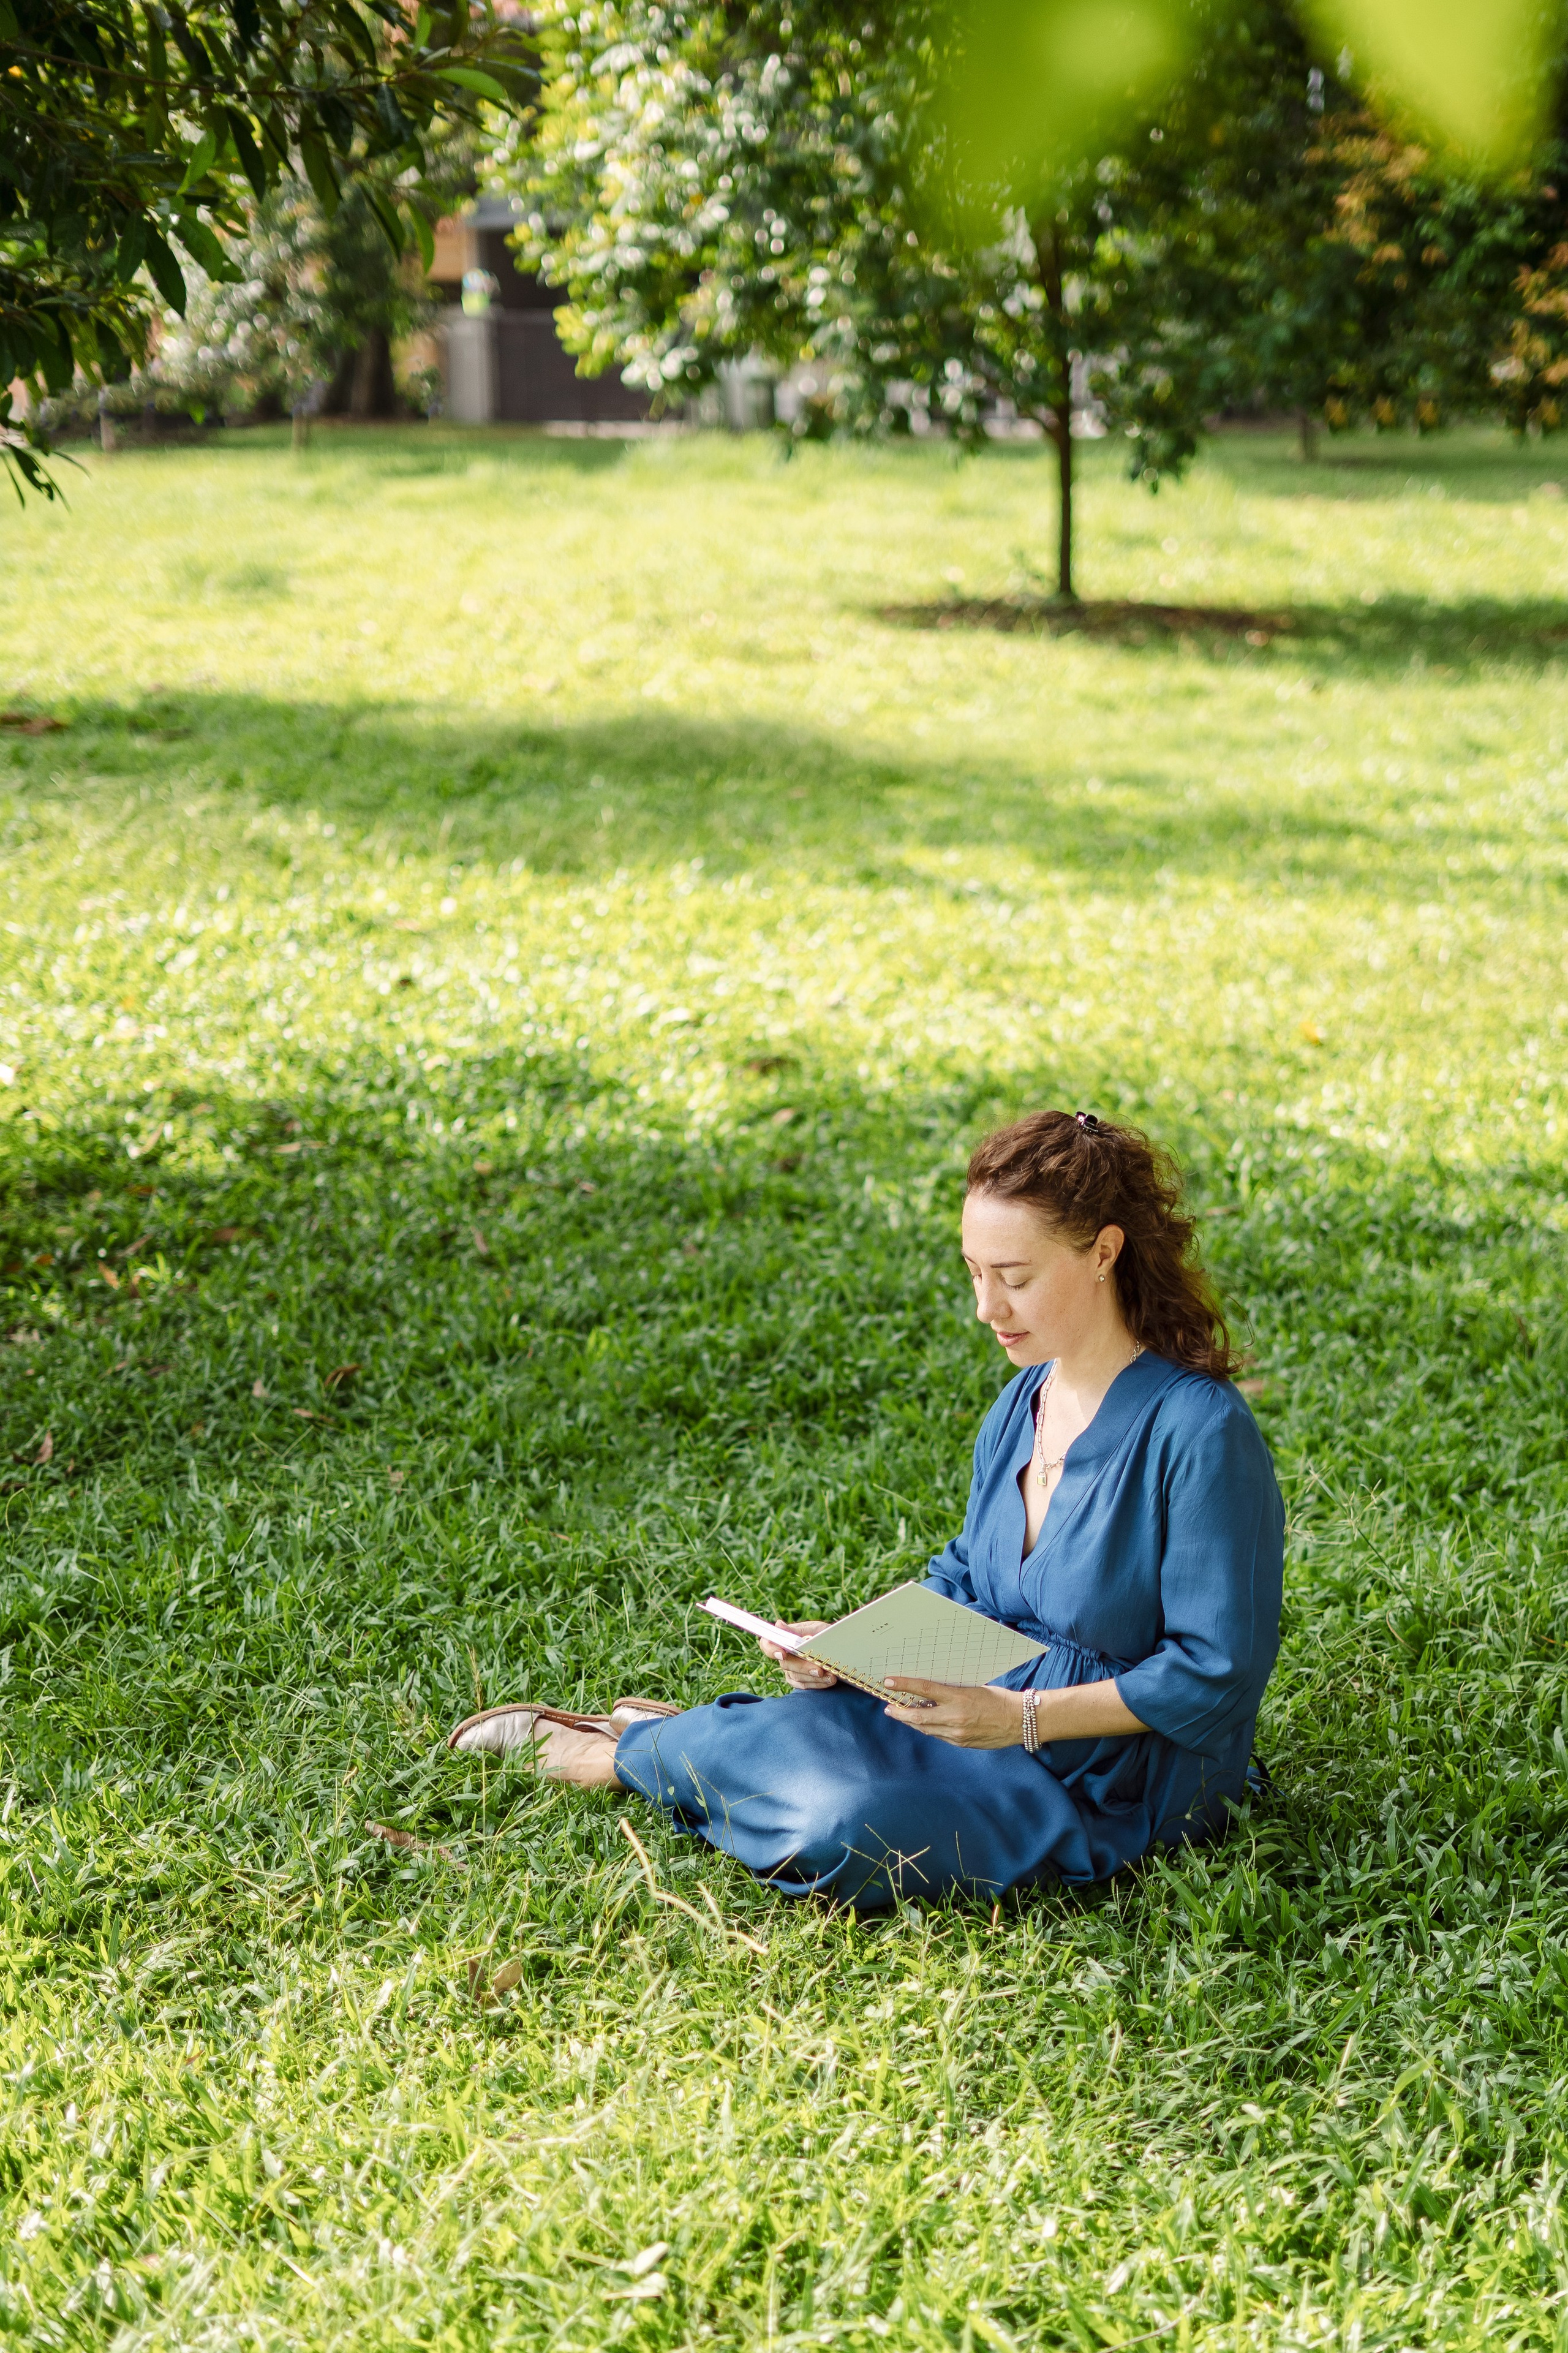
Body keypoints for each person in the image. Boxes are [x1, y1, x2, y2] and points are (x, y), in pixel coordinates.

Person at [445, 1109, 1285, 1911]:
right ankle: (664, 1745)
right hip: (977, 1713)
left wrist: (1020, 1719)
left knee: (839, 1825)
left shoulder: (1202, 1432)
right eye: (974, 1272)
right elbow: (968, 1576)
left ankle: (648, 1752)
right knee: (833, 1728)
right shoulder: (1026, 1400)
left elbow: (1215, 1674)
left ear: (1105, 1252)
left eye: (1015, 1278)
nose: (987, 1308)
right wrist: (853, 1645)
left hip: (1112, 1775)